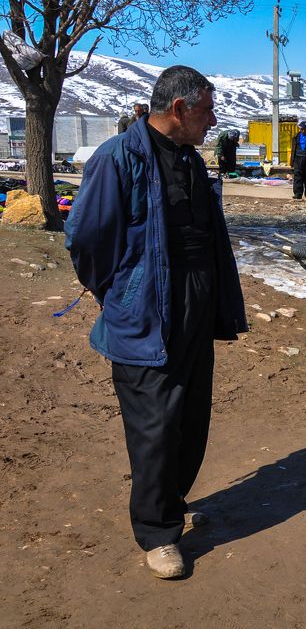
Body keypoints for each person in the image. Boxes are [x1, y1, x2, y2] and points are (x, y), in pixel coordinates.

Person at [64, 66, 247, 579]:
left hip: (194, 306)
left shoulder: (189, 158)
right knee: (155, 426)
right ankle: (157, 533)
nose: (212, 120)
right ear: (179, 109)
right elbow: (86, 239)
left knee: (191, 417)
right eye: (207, 110)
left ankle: (172, 502)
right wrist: (118, 292)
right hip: (144, 312)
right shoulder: (118, 157)